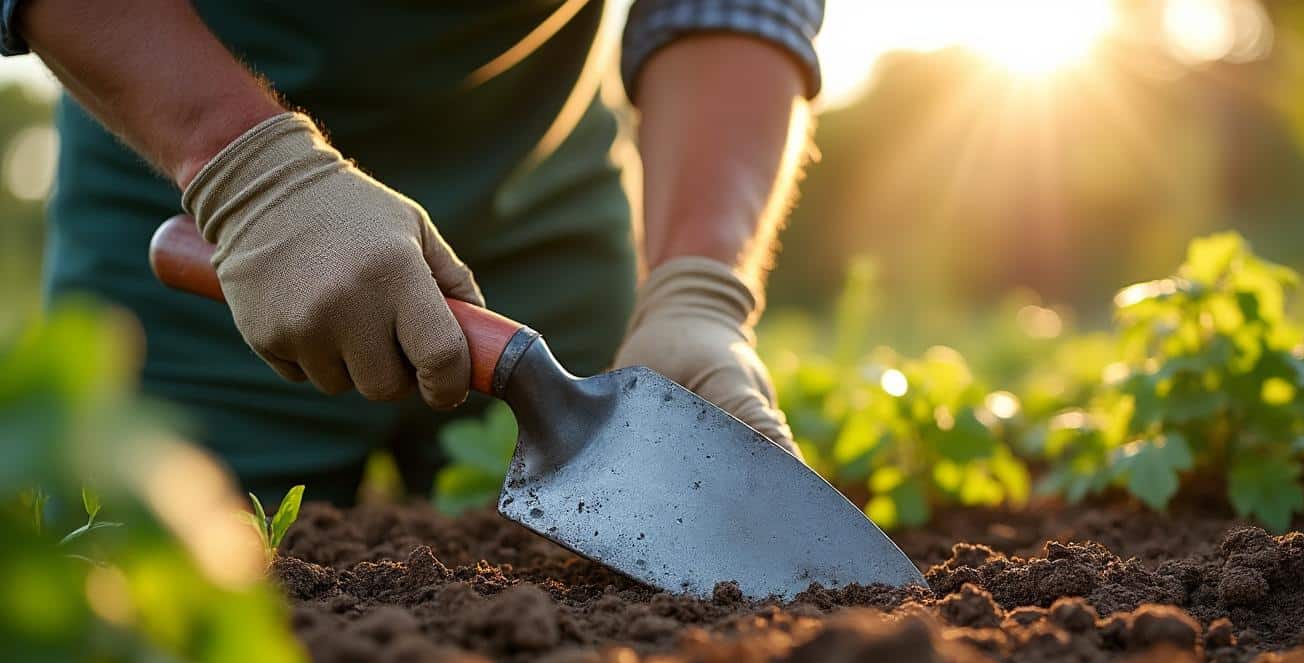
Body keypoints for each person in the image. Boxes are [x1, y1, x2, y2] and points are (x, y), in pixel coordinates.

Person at [2, 0, 823, 504]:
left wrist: (696, 287)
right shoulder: (231, 178)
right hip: (202, 176)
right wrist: (248, 173)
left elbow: (730, 6)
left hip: (535, 184)